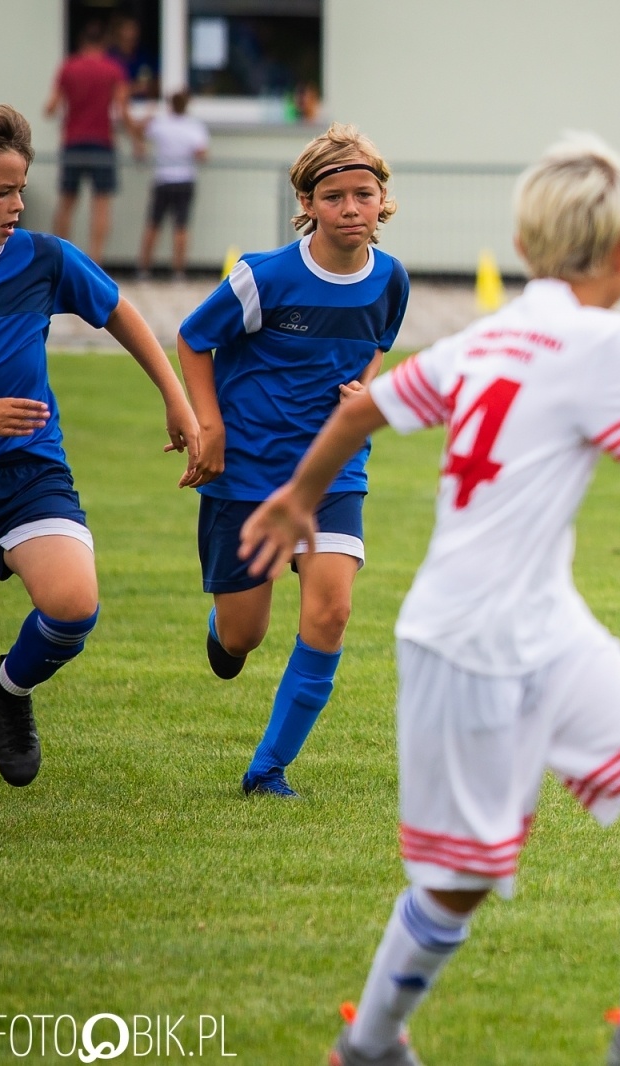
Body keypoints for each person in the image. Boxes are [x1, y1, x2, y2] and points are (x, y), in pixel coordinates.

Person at [238, 134, 620, 1065]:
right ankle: (370, 1045)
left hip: (544, 623)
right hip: (469, 639)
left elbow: (362, 408)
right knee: (458, 883)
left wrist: (300, 495)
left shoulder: (493, 332)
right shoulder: (601, 337)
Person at [176, 123, 409, 799]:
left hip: (335, 469)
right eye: (333, 197)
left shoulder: (390, 278)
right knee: (245, 636)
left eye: (363, 194)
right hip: (249, 469)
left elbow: (377, 343)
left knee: (331, 612)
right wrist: (209, 425)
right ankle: (227, 631)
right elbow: (193, 340)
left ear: (382, 199)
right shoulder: (265, 276)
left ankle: (268, 769)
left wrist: (364, 391)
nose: (350, 208)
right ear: (306, 203)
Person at [0, 104, 199, 788]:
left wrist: (176, 398)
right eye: (1, 191)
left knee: (73, 606)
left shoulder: (42, 259)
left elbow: (118, 311)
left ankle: (9, 692)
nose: (19, 204)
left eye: (21, 188)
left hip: (27, 470)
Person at [45, 21, 136, 266]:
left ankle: (59, 260)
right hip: (102, 141)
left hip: (73, 141)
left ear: (82, 42)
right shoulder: (112, 69)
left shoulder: (69, 67)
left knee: (67, 201)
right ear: (104, 43)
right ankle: (95, 261)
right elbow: (123, 108)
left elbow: (50, 108)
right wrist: (137, 139)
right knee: (101, 204)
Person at [137, 90, 210, 280]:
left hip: (163, 178)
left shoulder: (161, 124)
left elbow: (140, 131)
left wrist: (147, 113)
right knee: (181, 227)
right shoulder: (194, 127)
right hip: (185, 179)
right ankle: (178, 271)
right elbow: (202, 154)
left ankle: (144, 269)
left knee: (153, 224)